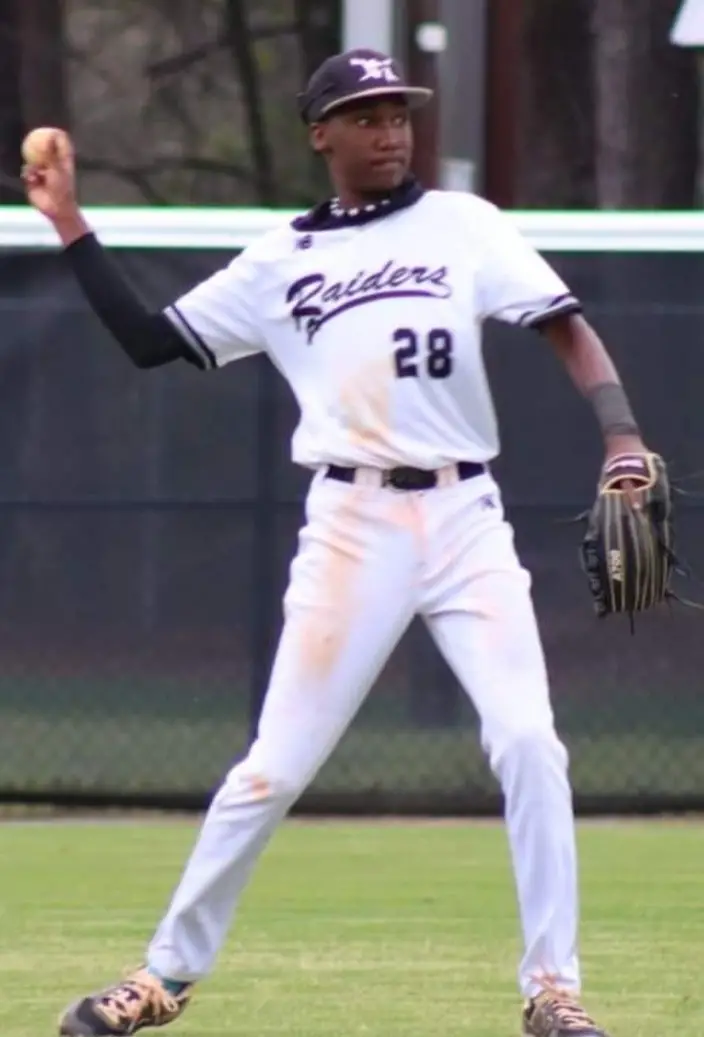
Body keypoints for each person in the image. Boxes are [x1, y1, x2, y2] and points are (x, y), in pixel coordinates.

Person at [23, 46, 646, 1037]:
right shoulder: (279, 261)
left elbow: (564, 326)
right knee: (270, 769)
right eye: (364, 116)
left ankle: (553, 990)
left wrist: (620, 434)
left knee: (530, 741)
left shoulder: (465, 223)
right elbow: (150, 340)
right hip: (352, 527)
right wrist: (68, 222)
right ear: (321, 134)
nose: (389, 130)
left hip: (464, 515)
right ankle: (161, 976)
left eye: (397, 112)